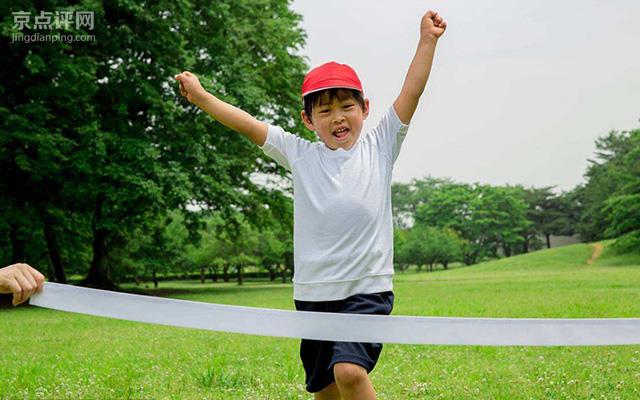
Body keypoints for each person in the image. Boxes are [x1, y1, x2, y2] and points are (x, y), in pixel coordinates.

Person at [175, 10, 446, 400]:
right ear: (308, 119)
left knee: (350, 372)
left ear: (365, 108)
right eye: (325, 110)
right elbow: (248, 124)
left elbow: (412, 91)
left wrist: (427, 41)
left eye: (346, 107)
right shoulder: (300, 154)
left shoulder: (381, 145)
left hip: (366, 290)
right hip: (314, 293)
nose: (338, 118)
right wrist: (201, 98)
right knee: (325, 388)